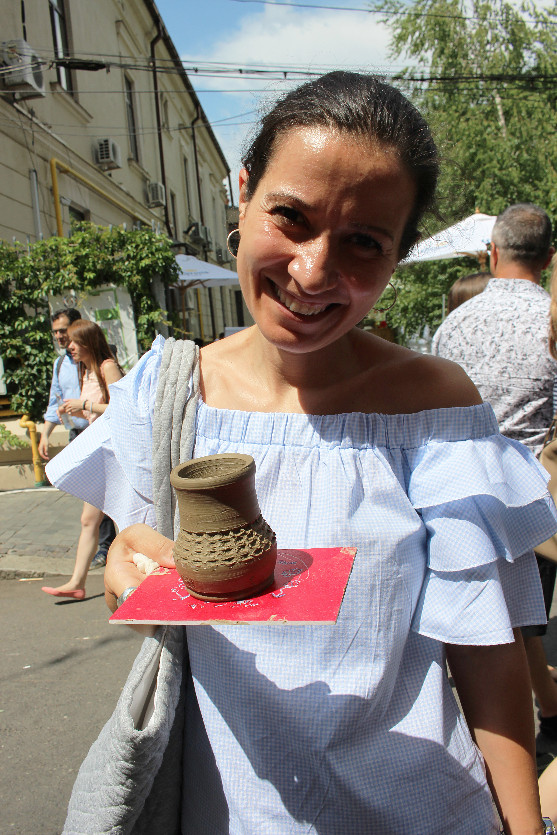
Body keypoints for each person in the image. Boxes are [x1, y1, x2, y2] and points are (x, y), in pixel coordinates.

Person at [47, 73, 557, 834]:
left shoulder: (432, 406)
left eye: (362, 243)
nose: (313, 272)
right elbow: (140, 571)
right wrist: (128, 571)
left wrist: (525, 827)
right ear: (244, 194)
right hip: (226, 808)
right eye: (290, 217)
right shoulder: (168, 393)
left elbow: (482, 650)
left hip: (418, 808)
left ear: (397, 255)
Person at [432, 204, 557, 743]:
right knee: (525, 623)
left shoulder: (455, 323)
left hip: (461, 495)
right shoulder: (551, 318)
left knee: (482, 629)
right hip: (535, 498)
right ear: (548, 258)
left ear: (493, 252)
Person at [42, 320, 123, 600]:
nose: (70, 346)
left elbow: (123, 408)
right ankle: (77, 582)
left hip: (116, 454)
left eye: (76, 341)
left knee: (121, 520)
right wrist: (77, 412)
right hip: (99, 453)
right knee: (89, 520)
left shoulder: (106, 367)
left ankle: (135, 581)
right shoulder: (84, 372)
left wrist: (84, 405)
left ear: (90, 342)